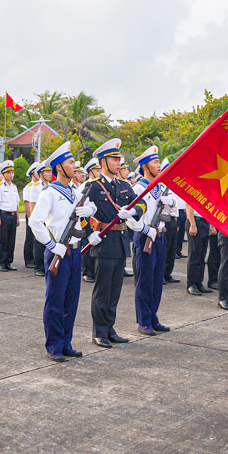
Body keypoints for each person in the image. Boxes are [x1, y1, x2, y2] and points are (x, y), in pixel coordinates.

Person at [30, 142, 100, 361]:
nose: (75, 166)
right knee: (55, 301)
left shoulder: (75, 191)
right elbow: (35, 222)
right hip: (59, 252)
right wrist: (52, 246)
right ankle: (54, 345)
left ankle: (66, 342)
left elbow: (86, 213)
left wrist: (91, 211)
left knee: (71, 300)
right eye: (70, 163)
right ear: (59, 167)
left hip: (76, 252)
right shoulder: (49, 192)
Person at [82, 139, 136, 348]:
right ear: (103, 162)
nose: (118, 162)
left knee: (115, 290)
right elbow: (80, 211)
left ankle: (110, 328)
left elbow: (138, 202)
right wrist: (89, 234)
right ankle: (100, 331)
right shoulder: (93, 187)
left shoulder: (123, 185)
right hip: (103, 242)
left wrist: (133, 211)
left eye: (119, 159)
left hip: (120, 241)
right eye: (114, 159)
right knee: (103, 290)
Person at [129, 146, 173, 335]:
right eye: (155, 162)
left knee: (156, 280)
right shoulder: (139, 187)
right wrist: (148, 230)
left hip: (160, 236)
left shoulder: (160, 187)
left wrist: (170, 203)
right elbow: (131, 218)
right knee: (145, 280)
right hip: (146, 236)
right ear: (146, 165)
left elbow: (170, 209)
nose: (158, 165)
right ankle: (143, 320)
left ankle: (153, 316)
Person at [0, 160, 20, 272]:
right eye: (8, 172)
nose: (11, 175)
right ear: (3, 174)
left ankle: (9, 262)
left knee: (11, 240)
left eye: (12, 172)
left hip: (13, 216)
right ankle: (1, 263)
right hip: (4, 215)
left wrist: (18, 218)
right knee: (2, 240)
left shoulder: (14, 187)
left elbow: (17, 204)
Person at [81, 158, 101, 283]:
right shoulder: (86, 186)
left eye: (100, 170)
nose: (99, 172)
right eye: (97, 170)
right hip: (87, 221)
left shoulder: (100, 184)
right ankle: (87, 272)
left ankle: (94, 270)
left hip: (98, 220)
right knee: (87, 246)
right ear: (90, 172)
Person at [22, 162, 43, 268]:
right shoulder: (29, 187)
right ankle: (28, 259)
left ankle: (36, 259)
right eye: (36, 172)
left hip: (39, 216)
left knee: (37, 238)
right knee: (30, 237)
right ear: (32, 174)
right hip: (31, 215)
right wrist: (30, 217)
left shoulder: (41, 185)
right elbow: (27, 203)